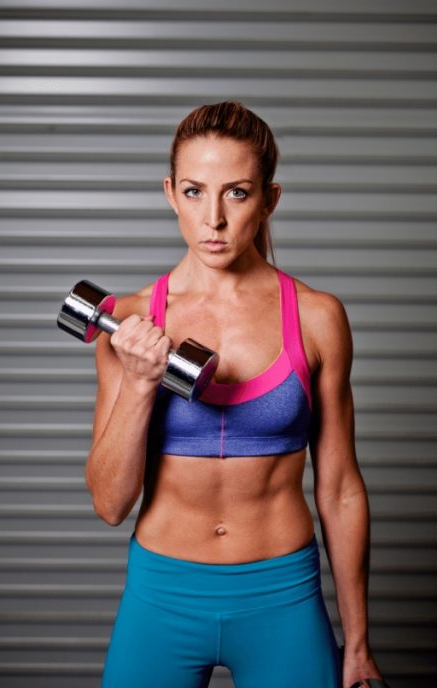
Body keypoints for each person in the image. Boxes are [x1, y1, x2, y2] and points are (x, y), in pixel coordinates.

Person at [88, 101, 385, 687]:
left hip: (282, 595)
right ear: (171, 193)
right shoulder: (125, 325)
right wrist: (142, 381)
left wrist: (358, 642)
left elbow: (342, 487)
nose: (214, 220)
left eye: (237, 193)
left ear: (269, 199)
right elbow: (110, 503)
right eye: (196, 192)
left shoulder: (319, 318)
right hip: (162, 594)